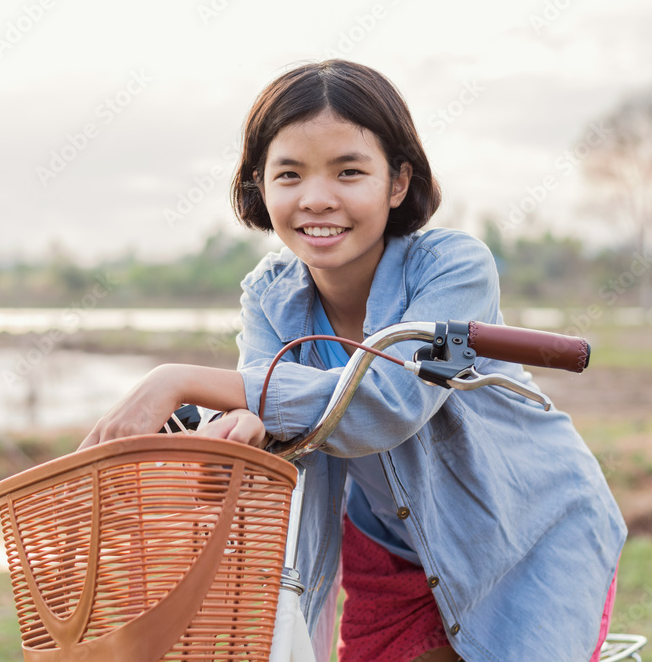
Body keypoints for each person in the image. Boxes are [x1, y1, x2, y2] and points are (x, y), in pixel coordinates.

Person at [78, 60, 626, 662]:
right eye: (289, 174)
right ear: (260, 186)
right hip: (389, 549)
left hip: (519, 529)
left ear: (396, 182)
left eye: (348, 171)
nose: (317, 198)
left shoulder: (453, 268)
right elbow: (265, 407)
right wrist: (231, 435)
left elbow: (386, 405)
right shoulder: (269, 296)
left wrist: (176, 378)